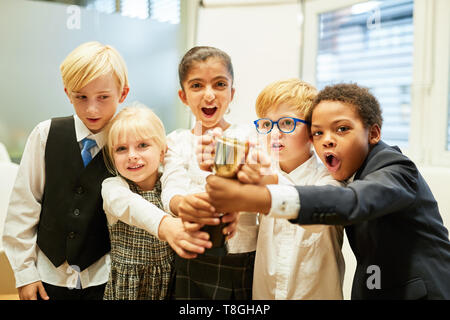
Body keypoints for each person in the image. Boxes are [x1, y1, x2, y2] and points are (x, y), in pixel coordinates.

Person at [204, 83, 450, 299]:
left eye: (342, 129)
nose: (327, 140)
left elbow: (348, 201)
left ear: (373, 133)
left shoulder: (394, 166)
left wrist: (262, 196)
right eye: (319, 132)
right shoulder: (340, 170)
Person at [2, 41, 129, 300]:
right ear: (67, 93)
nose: (91, 108)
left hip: (107, 278)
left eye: (103, 97)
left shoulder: (131, 142)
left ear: (123, 94)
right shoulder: (45, 135)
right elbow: (23, 207)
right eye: (80, 97)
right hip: (48, 278)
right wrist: (25, 274)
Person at [101, 105, 211, 300]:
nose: (132, 155)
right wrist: (165, 225)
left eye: (143, 145)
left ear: (162, 153)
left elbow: (179, 186)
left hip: (170, 285)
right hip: (128, 289)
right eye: (121, 149)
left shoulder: (170, 187)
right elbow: (131, 206)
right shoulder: (113, 187)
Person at [250, 79, 344, 299]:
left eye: (286, 123)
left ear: (313, 132)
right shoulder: (260, 173)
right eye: (266, 124)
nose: (274, 133)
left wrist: (267, 182)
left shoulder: (330, 179)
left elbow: (316, 212)